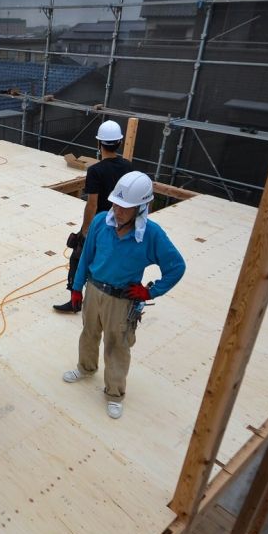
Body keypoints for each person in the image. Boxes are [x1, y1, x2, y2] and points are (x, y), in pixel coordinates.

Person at [62, 171, 185, 419]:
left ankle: (114, 393)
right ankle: (86, 368)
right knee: (89, 333)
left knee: (117, 345)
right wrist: (76, 288)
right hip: (94, 290)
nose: (118, 211)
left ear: (142, 207)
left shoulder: (152, 235)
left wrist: (150, 291)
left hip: (122, 300)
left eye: (125, 208)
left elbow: (176, 267)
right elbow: (86, 257)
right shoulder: (100, 222)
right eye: (116, 204)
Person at [54, 120, 133, 314]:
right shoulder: (129, 167)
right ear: (120, 143)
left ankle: (75, 300)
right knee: (110, 260)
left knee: (78, 258)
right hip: (123, 224)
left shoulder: (96, 171)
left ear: (99, 144)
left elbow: (92, 204)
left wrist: (84, 231)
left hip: (101, 224)